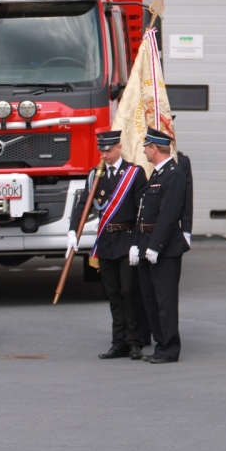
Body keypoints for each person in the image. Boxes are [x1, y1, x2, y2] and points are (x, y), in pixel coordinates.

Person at [67, 129, 146, 359]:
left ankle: (135, 341)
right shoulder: (96, 175)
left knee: (129, 291)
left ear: (119, 147)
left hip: (127, 237)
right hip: (106, 241)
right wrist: (72, 230)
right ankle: (118, 342)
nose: (104, 155)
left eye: (108, 150)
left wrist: (138, 242)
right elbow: (83, 204)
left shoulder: (133, 173)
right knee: (113, 294)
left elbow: (143, 210)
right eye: (101, 151)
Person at [132, 126, 192, 364]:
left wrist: (156, 245)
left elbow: (169, 214)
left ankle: (169, 348)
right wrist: (138, 244)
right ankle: (161, 345)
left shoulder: (174, 174)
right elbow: (144, 213)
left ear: (154, 148)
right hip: (148, 243)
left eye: (146, 147)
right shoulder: (158, 174)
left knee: (165, 301)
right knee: (151, 299)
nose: (144, 151)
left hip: (165, 249)